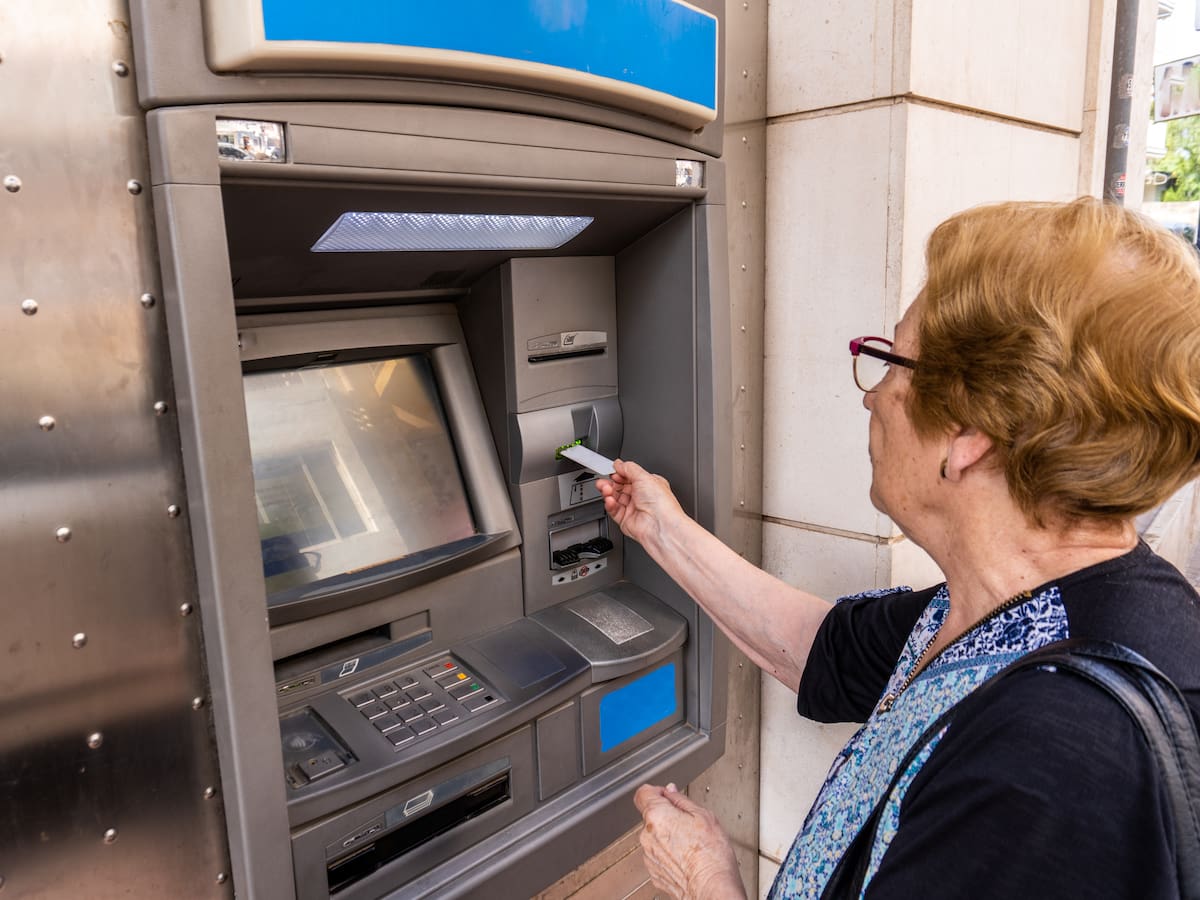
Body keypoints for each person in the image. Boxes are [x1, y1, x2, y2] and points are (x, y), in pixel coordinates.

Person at [597, 198, 1200, 899]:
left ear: (969, 430)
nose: (872, 398)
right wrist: (660, 527)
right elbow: (828, 651)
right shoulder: (1024, 604)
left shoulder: (1053, 761)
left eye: (889, 362)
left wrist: (705, 882)